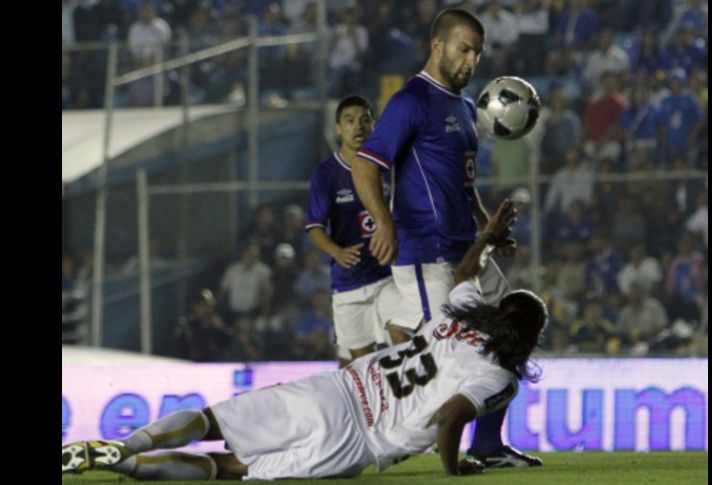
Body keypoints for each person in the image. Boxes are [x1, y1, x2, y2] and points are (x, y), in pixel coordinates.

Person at [61, 199, 545, 480]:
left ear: (499, 311)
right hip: (356, 439)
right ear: (527, 338)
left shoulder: (454, 315)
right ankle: (123, 469)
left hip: (337, 391)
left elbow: (464, 270)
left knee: (215, 421)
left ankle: (123, 446)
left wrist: (485, 237)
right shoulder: (498, 375)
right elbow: (450, 414)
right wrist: (452, 466)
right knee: (232, 469)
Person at [350, 8, 521, 467]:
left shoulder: (466, 107)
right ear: (438, 46)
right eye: (464, 49)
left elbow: (462, 184)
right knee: (462, 350)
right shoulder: (411, 101)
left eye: (478, 52)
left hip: (468, 249)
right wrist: (384, 222)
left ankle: (489, 444)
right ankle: (390, 442)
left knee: (513, 328)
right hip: (428, 252)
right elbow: (366, 166)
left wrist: (489, 229)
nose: (471, 60)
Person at [306, 95, 401, 364]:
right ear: (338, 128)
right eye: (349, 121)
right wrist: (336, 252)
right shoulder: (327, 174)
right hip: (350, 283)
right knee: (359, 369)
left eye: (364, 120)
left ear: (374, 125)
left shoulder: (388, 166)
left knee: (404, 340)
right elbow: (314, 227)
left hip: (390, 275)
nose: (357, 127)